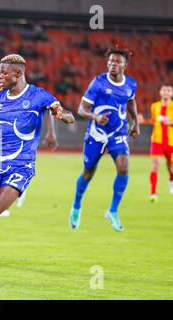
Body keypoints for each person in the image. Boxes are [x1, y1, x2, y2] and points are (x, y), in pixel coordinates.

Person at [0, 54, 75, 265]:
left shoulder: (39, 96)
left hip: (21, 166)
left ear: (18, 73)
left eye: (4, 72)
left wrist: (63, 119)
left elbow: (60, 112)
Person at [69, 47, 140, 232]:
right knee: (88, 173)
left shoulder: (131, 84)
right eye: (110, 62)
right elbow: (82, 109)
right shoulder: (98, 83)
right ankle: (76, 205)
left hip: (118, 133)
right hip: (96, 134)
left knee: (124, 168)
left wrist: (136, 123)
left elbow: (131, 100)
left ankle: (113, 211)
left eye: (117, 62)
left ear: (125, 64)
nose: (113, 65)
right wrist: (95, 117)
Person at [144, 84, 173, 202]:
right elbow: (153, 120)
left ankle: (171, 180)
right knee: (155, 165)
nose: (166, 92)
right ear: (160, 92)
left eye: (168, 90)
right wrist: (144, 121)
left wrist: (171, 122)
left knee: (171, 166)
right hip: (157, 140)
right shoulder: (154, 106)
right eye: (164, 90)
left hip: (171, 141)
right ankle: (153, 193)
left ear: (171, 93)